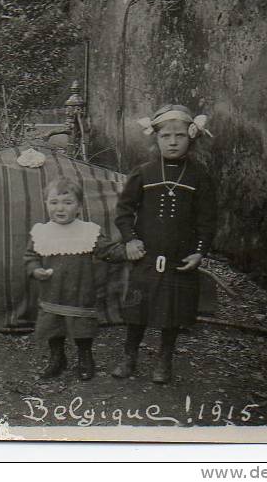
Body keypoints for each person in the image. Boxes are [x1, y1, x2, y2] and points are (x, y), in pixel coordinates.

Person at [112, 104, 216, 384]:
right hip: (145, 256)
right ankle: (129, 356)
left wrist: (199, 252)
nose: (172, 141)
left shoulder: (199, 176)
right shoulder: (143, 173)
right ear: (156, 139)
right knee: (137, 309)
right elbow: (123, 211)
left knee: (173, 312)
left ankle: (164, 360)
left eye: (179, 136)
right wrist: (130, 240)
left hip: (179, 259)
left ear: (191, 137)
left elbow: (208, 219)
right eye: (166, 136)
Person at [25, 177, 126, 381]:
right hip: (52, 293)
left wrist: (127, 251)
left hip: (80, 293)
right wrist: (35, 270)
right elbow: (30, 257)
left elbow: (108, 251)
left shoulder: (88, 231)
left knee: (82, 329)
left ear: (79, 206)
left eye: (67, 203)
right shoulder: (41, 232)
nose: (60, 208)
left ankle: (85, 358)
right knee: (53, 327)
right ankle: (57, 357)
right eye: (54, 203)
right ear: (46, 204)